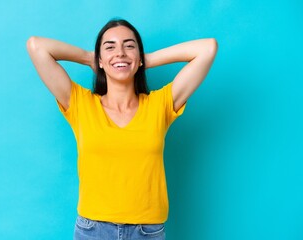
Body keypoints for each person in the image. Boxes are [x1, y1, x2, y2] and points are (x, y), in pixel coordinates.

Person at [27, 18, 217, 240]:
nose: (120, 52)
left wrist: (144, 60)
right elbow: (36, 46)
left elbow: (207, 48)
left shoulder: (160, 105)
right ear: (100, 59)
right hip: (93, 231)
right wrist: (91, 57)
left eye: (129, 45)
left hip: (147, 232)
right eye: (110, 47)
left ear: (139, 57)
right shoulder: (80, 104)